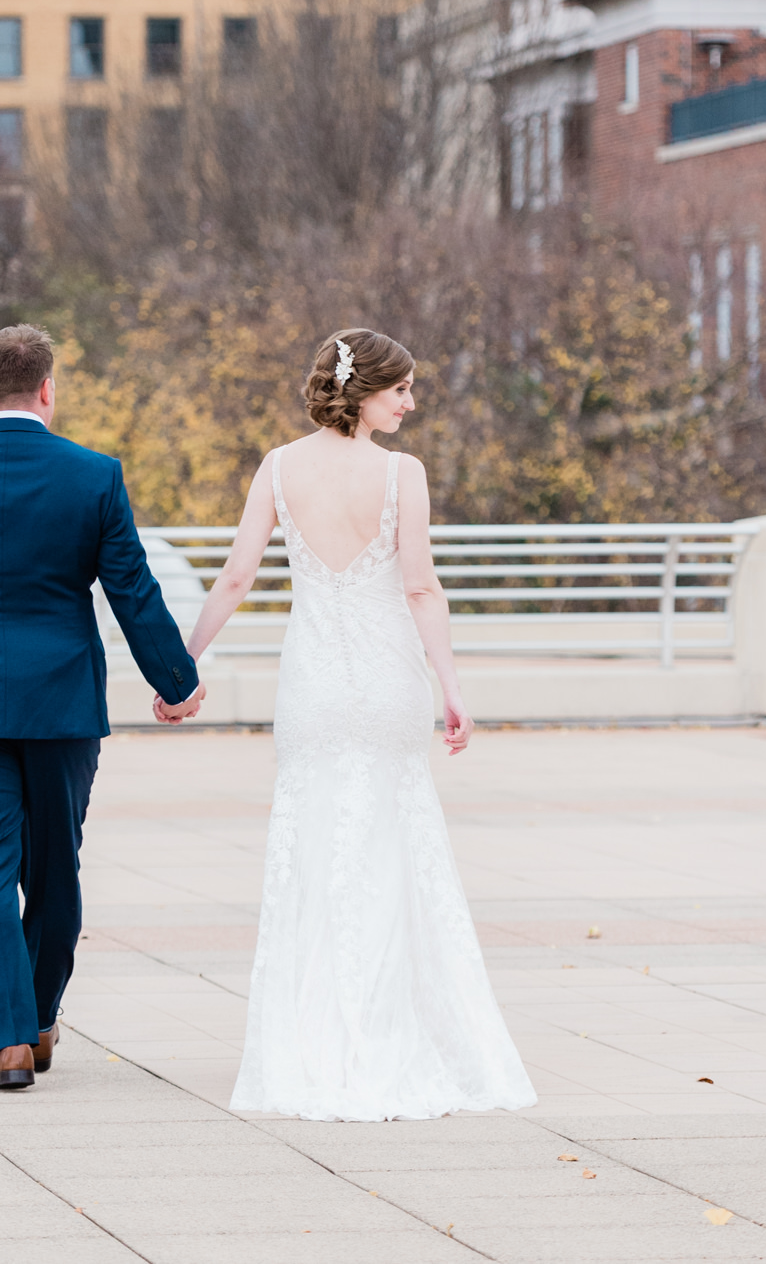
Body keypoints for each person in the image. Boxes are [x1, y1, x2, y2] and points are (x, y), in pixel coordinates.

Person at [183, 327, 536, 1123]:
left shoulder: (278, 466)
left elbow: (237, 576)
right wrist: (450, 686)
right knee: (390, 850)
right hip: (383, 683)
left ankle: (313, 1043)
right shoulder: (400, 474)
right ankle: (385, 1035)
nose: (411, 404)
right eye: (401, 389)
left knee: (313, 849)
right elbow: (421, 589)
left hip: (312, 684)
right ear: (363, 390)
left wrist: (184, 663)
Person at [0, 322, 206, 1091]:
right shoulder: (93, 476)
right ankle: (42, 1014)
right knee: (55, 868)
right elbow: (133, 591)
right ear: (48, 389)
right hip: (60, 704)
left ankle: (9, 1041)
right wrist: (175, 679)